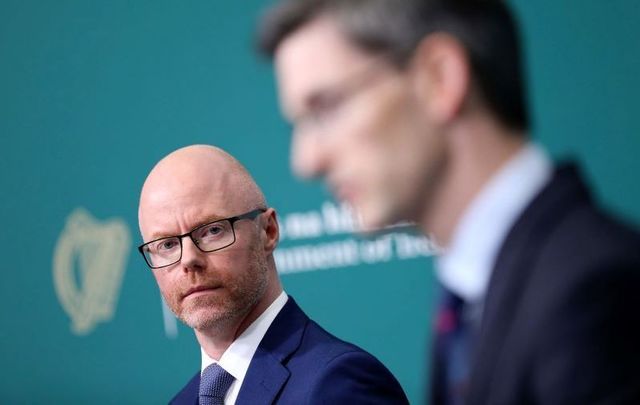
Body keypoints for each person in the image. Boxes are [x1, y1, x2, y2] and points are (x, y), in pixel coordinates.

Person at [256, 0, 640, 403]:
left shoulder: (596, 292)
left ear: (439, 77)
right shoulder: (470, 300)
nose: (305, 162)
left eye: (327, 108)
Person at [137, 145, 409, 404]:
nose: (189, 259)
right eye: (167, 245)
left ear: (268, 231)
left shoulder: (337, 384)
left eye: (212, 230)